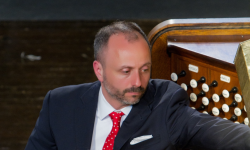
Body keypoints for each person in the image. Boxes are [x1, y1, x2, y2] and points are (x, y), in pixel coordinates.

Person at [25, 21, 250, 150]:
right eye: (126, 71)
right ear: (99, 70)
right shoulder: (59, 104)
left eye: (145, 69)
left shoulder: (166, 105)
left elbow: (224, 135)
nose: (138, 82)